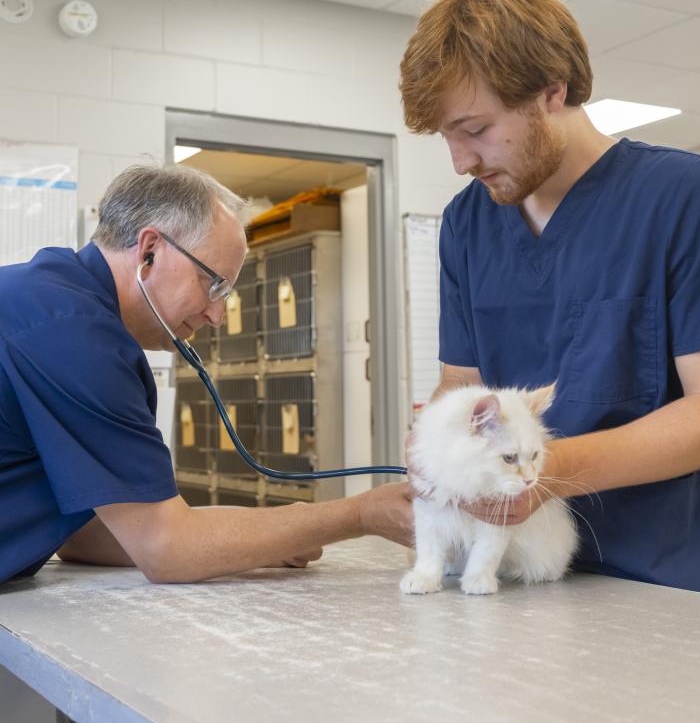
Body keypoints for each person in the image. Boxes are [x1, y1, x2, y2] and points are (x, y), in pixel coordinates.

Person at [399, 0, 700, 595]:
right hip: (515, 575)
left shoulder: (688, 197)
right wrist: (434, 453)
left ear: (553, 91)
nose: (461, 161)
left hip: (667, 576)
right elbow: (459, 386)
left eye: (475, 131)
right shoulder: (468, 224)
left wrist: (541, 473)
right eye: (447, 137)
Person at [0, 165, 412, 585]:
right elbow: (166, 549)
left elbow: (83, 537)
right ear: (149, 251)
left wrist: (271, 537)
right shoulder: (76, 336)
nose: (216, 316)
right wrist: (361, 513)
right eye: (212, 284)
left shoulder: (47, 299)